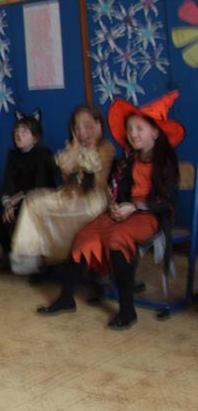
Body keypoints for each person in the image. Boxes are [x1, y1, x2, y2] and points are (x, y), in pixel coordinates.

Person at [37, 92, 183, 329]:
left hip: (151, 214)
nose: (133, 134)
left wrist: (134, 207)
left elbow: (167, 200)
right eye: (130, 129)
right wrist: (116, 205)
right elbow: (119, 188)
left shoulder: (166, 161)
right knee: (86, 235)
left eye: (139, 129)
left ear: (155, 132)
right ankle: (66, 298)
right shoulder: (129, 159)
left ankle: (127, 310)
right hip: (125, 212)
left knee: (116, 237)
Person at [10, 105, 116, 275]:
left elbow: (94, 170)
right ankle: (34, 258)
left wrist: (92, 143)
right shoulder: (73, 147)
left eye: (87, 126)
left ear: (98, 126)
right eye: (77, 127)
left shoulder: (106, 147)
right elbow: (66, 170)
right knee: (33, 201)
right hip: (69, 194)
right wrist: (75, 146)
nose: (82, 132)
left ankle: (77, 259)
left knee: (77, 213)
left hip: (93, 199)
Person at [0, 110, 57, 272]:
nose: (19, 135)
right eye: (17, 131)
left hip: (38, 200)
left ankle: (33, 260)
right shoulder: (13, 155)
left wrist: (16, 200)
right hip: (17, 200)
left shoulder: (43, 154)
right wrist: (7, 203)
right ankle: (8, 253)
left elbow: (40, 186)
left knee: (24, 209)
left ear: (35, 138)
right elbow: (7, 184)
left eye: (24, 131)